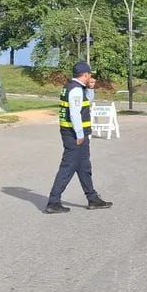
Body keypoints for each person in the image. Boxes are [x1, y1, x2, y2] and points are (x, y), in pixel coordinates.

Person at [45, 61, 113, 214]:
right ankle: (53, 202)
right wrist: (80, 134)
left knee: (84, 167)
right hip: (74, 136)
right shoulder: (75, 89)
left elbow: (86, 103)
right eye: (90, 74)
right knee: (67, 168)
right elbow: (75, 113)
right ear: (86, 74)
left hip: (72, 134)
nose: (91, 77)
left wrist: (90, 89)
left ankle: (92, 198)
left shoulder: (72, 87)